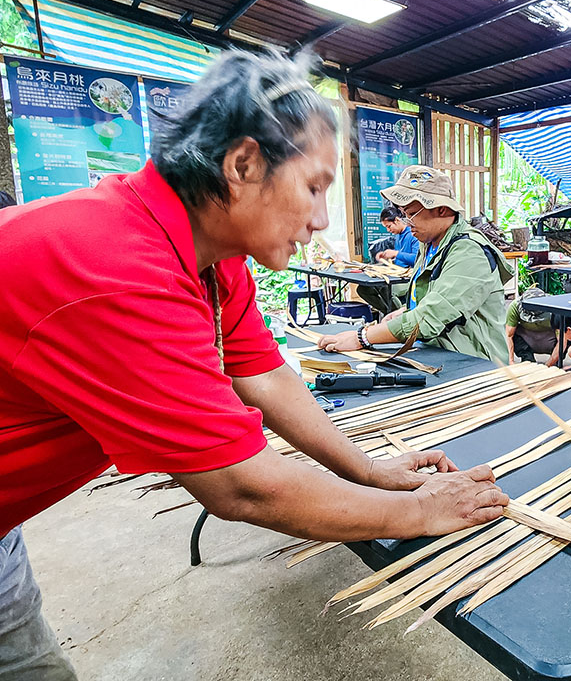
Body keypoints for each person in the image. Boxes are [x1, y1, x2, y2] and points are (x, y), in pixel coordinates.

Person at [0, 51, 507, 679]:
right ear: (242, 165)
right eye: (315, 187)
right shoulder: (118, 269)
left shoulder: (216, 257)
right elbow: (243, 485)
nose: (321, 219)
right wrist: (421, 512)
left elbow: (264, 376)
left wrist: (371, 472)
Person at [318, 165, 511, 364]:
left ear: (441, 209)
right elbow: (432, 299)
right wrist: (407, 310)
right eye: (403, 214)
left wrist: (362, 337)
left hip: (475, 365)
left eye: (410, 213)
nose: (407, 222)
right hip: (437, 353)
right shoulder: (429, 243)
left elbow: (431, 316)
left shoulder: (470, 252)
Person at [360, 205, 421, 315]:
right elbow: (400, 257)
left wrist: (396, 254)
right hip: (396, 275)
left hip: (409, 277)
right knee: (363, 289)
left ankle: (400, 316)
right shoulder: (398, 235)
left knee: (386, 289)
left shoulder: (413, 234)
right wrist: (386, 256)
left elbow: (416, 259)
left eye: (389, 226)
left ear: (397, 220)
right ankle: (389, 313)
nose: (388, 230)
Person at [506, 287, 563, 365]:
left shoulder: (556, 308)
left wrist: (548, 365)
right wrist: (511, 362)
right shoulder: (515, 306)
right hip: (527, 337)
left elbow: (563, 340)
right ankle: (527, 359)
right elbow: (509, 336)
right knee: (510, 330)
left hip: (550, 338)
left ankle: (556, 361)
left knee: (567, 333)